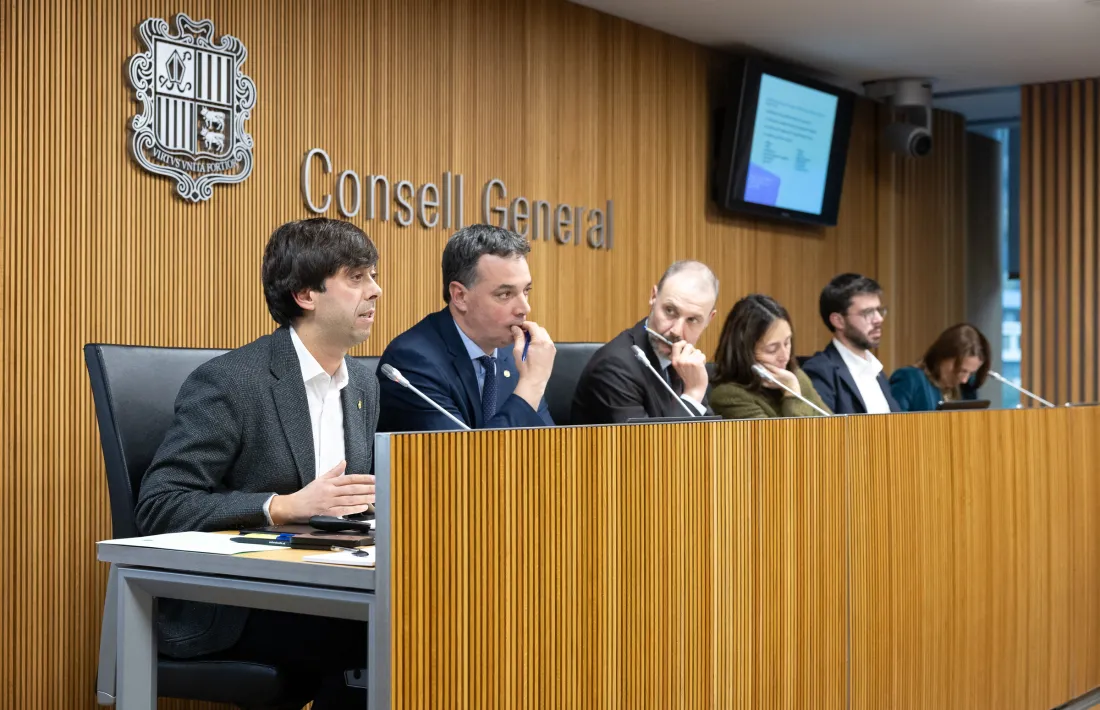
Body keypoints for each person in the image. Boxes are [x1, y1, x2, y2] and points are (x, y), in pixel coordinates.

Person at [134, 218, 380, 709]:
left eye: (373, 275)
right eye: (357, 277)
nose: (376, 290)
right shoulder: (231, 383)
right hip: (236, 605)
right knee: (378, 640)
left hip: (332, 584)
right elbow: (160, 506)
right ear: (307, 294)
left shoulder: (365, 383)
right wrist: (279, 506)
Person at [377, 224, 555, 431]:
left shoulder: (516, 355)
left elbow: (550, 450)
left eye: (526, 291)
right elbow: (461, 460)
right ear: (460, 296)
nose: (525, 308)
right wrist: (532, 384)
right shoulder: (412, 361)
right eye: (505, 294)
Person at [570, 260, 719, 424]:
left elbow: (711, 439)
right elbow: (649, 448)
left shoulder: (687, 367)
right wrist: (693, 394)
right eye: (670, 311)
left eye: (692, 320)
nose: (676, 331)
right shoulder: (614, 367)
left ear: (708, 320)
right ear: (653, 297)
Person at [709, 294, 831, 419]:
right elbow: (794, 438)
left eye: (787, 343)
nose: (784, 356)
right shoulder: (729, 396)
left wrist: (792, 385)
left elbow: (836, 427)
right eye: (772, 349)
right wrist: (792, 393)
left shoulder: (795, 377)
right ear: (745, 352)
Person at [802, 273, 901, 414]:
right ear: (838, 321)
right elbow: (822, 432)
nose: (879, 319)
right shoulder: (820, 371)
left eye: (879, 310)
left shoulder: (877, 371)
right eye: (868, 313)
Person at [889, 323, 990, 411]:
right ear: (942, 356)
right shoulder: (910, 379)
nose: (964, 380)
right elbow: (894, 426)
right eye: (960, 371)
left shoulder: (966, 390)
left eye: (971, 373)